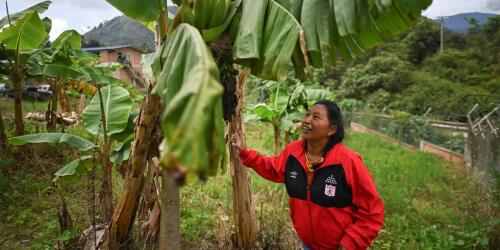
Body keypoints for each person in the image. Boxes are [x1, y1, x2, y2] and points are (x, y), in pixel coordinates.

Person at [231, 100, 384, 250]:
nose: (307, 120)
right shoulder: (293, 152)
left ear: (331, 130)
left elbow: (372, 212)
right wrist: (245, 152)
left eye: (316, 117)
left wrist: (351, 242)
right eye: (307, 115)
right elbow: (273, 168)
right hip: (308, 244)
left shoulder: (348, 162)